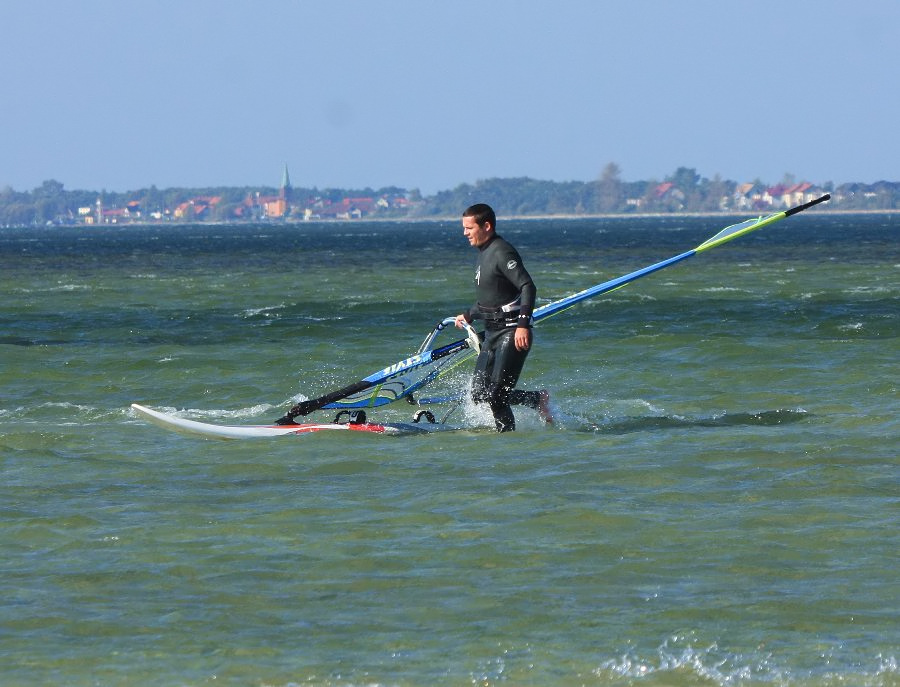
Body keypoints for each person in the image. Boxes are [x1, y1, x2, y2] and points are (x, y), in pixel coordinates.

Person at [454, 203, 553, 432]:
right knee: (479, 394)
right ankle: (535, 399)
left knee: (497, 397)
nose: (465, 233)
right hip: (491, 334)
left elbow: (528, 286)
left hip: (511, 332)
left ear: (486, 226)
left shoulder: (501, 251)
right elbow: (491, 298)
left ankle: (506, 445)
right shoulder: (483, 253)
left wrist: (523, 325)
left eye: (469, 228)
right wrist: (468, 315)